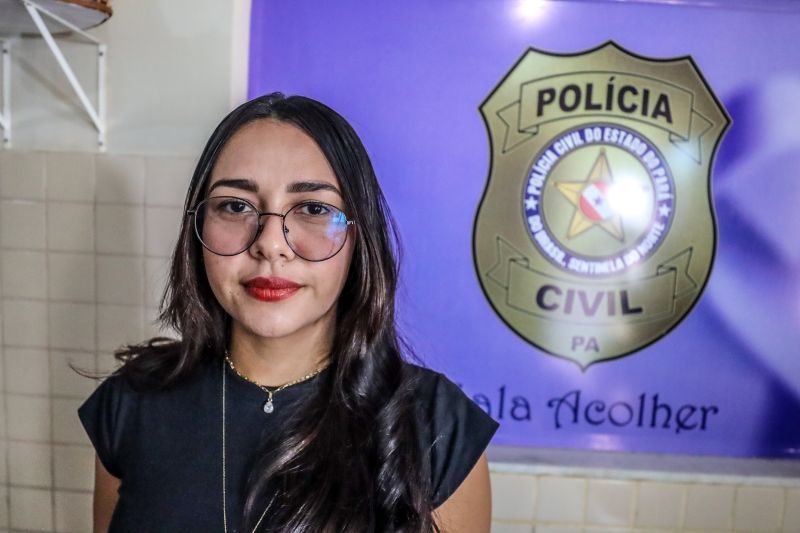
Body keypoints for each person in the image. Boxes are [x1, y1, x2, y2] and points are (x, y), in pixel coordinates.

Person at [77, 93, 499, 532]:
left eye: (314, 209)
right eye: (235, 206)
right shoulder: (130, 403)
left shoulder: (436, 426)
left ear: (358, 238)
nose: (270, 243)